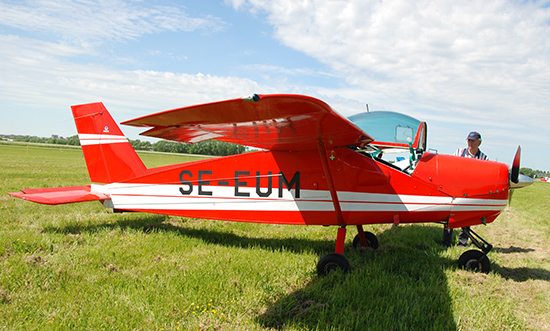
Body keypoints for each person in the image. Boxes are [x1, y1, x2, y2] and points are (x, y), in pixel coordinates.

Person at [441, 131, 488, 247]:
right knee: (450, 215)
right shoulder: (459, 153)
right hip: (456, 189)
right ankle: (446, 242)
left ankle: (462, 242)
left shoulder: (484, 158)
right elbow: (451, 167)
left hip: (471, 191)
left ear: (479, 143)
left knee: (466, 217)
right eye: (469, 140)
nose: (470, 143)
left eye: (473, 141)